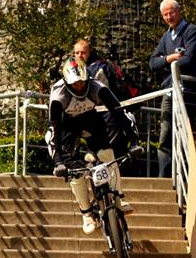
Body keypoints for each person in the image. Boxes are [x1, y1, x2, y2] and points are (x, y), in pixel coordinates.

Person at [48, 58, 136, 234]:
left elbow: (119, 113)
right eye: (75, 84)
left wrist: (133, 142)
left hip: (90, 119)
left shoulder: (98, 88)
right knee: (76, 171)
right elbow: (53, 131)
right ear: (66, 82)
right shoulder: (58, 97)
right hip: (66, 126)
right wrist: (59, 162)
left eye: (82, 82)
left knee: (107, 154)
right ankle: (87, 213)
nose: (79, 87)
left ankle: (117, 197)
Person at [149, 0, 196, 177]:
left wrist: (167, 59)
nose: (168, 17)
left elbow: (190, 58)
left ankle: (186, 177)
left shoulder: (191, 31)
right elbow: (153, 63)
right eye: (165, 14)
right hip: (169, 91)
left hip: (187, 91)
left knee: (185, 135)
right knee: (165, 135)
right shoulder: (166, 37)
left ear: (179, 11)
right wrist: (170, 58)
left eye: (171, 12)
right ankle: (163, 178)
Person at [74, 39, 139, 154]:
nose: (79, 55)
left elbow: (103, 95)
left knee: (108, 152)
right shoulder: (75, 69)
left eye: (83, 52)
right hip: (90, 115)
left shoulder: (100, 68)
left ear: (90, 52)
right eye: (77, 53)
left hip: (107, 115)